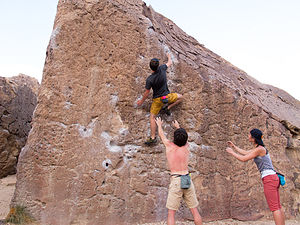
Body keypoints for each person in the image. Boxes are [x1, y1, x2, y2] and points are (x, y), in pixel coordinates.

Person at [226, 128, 285, 225]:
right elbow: (246, 152)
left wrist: (231, 152)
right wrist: (234, 147)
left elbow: (244, 159)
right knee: (278, 206)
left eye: (249, 135)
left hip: (269, 179)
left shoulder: (259, 149)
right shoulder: (259, 148)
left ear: (253, 138)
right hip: (273, 178)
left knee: (275, 208)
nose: (248, 136)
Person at [155, 117, 202, 225]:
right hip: (187, 179)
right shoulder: (186, 146)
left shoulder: (170, 147)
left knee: (171, 213)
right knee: (195, 211)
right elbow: (184, 137)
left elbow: (162, 136)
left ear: (174, 138)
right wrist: (178, 127)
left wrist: (159, 125)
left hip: (176, 180)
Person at [137, 53, 183, 145]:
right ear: (158, 65)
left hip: (157, 100)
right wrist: (169, 56)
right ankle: (168, 108)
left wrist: (141, 101)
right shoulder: (162, 69)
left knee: (152, 117)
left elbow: (147, 92)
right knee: (181, 97)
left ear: (150, 68)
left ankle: (153, 137)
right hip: (167, 97)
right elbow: (169, 63)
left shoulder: (150, 79)